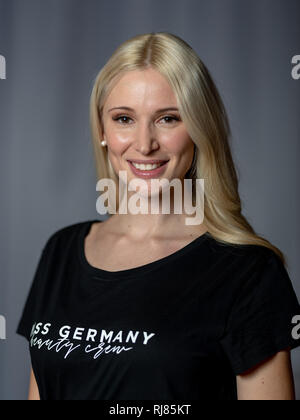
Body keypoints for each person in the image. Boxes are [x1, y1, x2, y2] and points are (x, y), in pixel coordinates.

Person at [17, 32, 300, 401]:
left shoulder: (249, 272)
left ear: (199, 128)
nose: (145, 143)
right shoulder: (61, 250)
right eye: (124, 119)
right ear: (102, 130)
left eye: (168, 118)